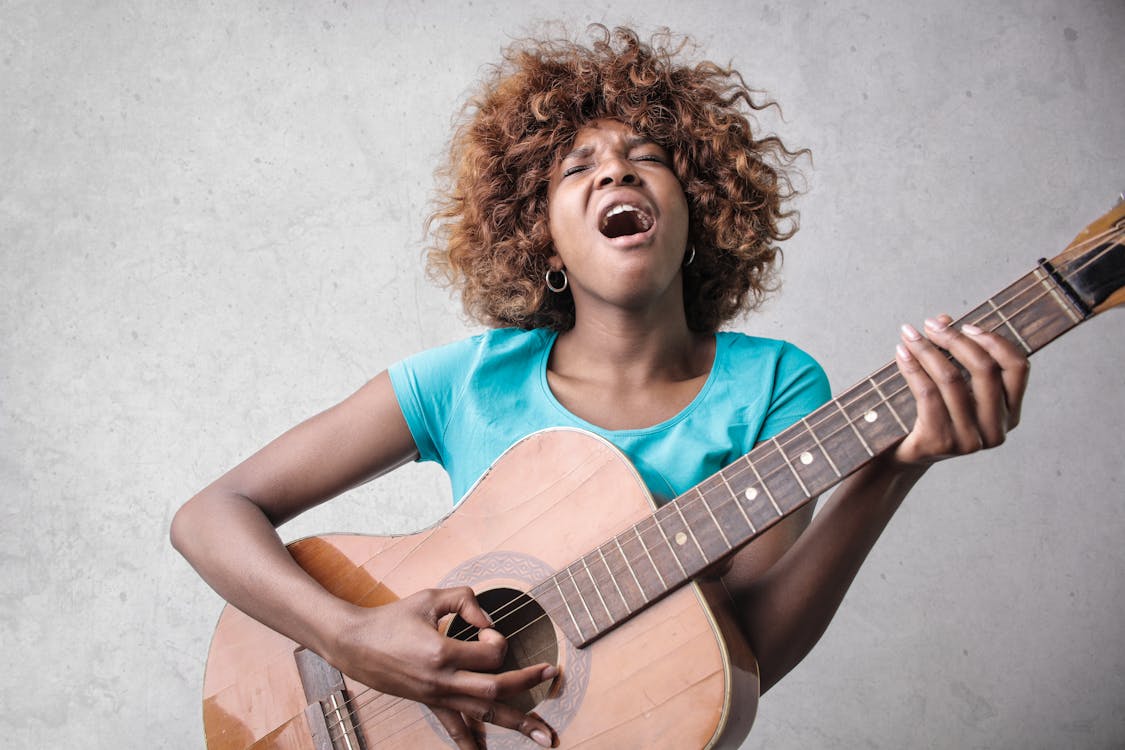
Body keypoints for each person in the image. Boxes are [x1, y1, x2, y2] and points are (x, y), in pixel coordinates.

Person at [170, 26, 1029, 750]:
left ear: (698, 216)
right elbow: (209, 514)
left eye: (646, 159)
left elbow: (745, 648)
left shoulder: (775, 385)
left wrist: (891, 470)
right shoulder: (465, 380)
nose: (614, 174)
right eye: (576, 169)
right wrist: (352, 640)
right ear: (541, 240)